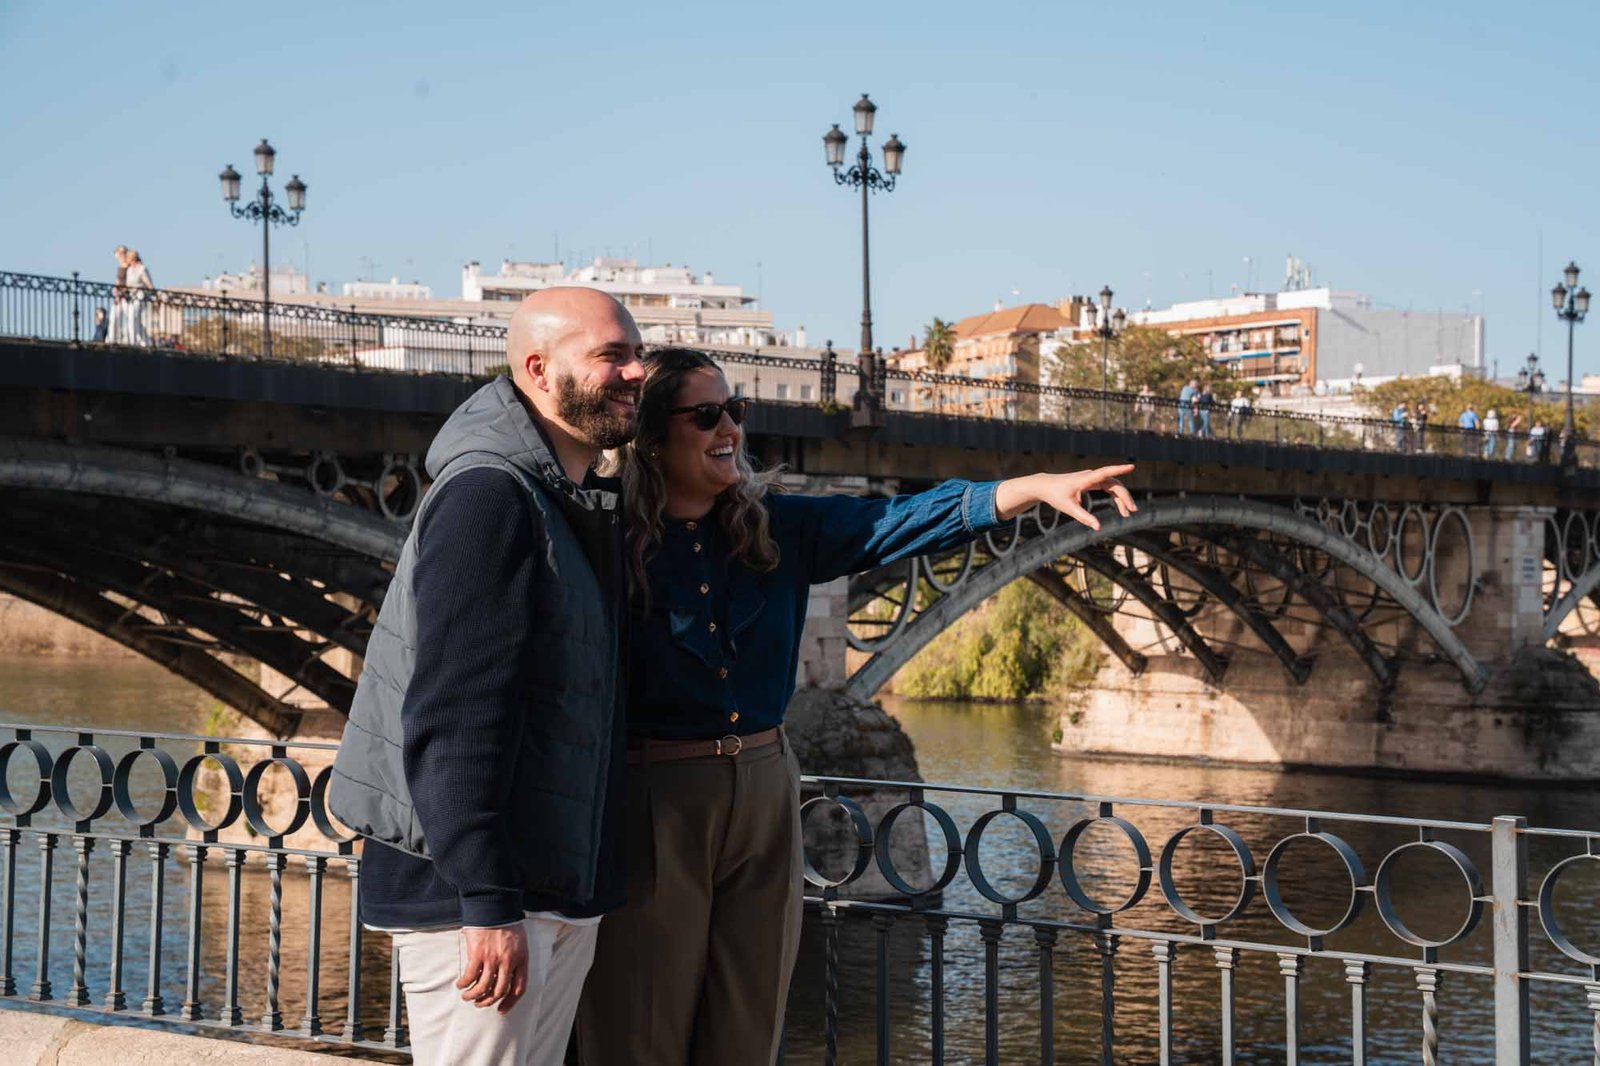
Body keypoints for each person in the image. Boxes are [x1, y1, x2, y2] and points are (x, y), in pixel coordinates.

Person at [575, 347, 1136, 1066]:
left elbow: (899, 520)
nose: (731, 430)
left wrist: (1025, 489)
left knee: (749, 1017)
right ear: (653, 437)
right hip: (653, 795)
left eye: (735, 411)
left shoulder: (776, 527)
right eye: (707, 415)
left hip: (766, 785)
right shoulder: (604, 537)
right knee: (640, 1020)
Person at [329, 288, 647, 1066]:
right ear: (538, 369)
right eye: (611, 355)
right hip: (480, 900)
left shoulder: (558, 499)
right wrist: (488, 900)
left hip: (545, 885)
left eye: (638, 354)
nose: (638, 372)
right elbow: (453, 714)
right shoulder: (489, 496)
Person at [123, 249, 154, 347]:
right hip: (131, 297)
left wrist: (150, 294)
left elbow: (149, 284)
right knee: (133, 319)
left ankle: (133, 342)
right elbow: (128, 284)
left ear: (132, 258)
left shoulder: (142, 269)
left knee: (133, 317)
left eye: (128, 258)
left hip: (140, 296)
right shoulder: (129, 270)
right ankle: (146, 341)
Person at [108, 245, 131, 344]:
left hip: (126, 296)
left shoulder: (129, 267)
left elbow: (129, 281)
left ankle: (129, 338)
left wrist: (121, 291)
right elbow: (118, 281)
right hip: (119, 296)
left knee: (130, 318)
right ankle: (112, 339)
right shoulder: (120, 267)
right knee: (114, 318)